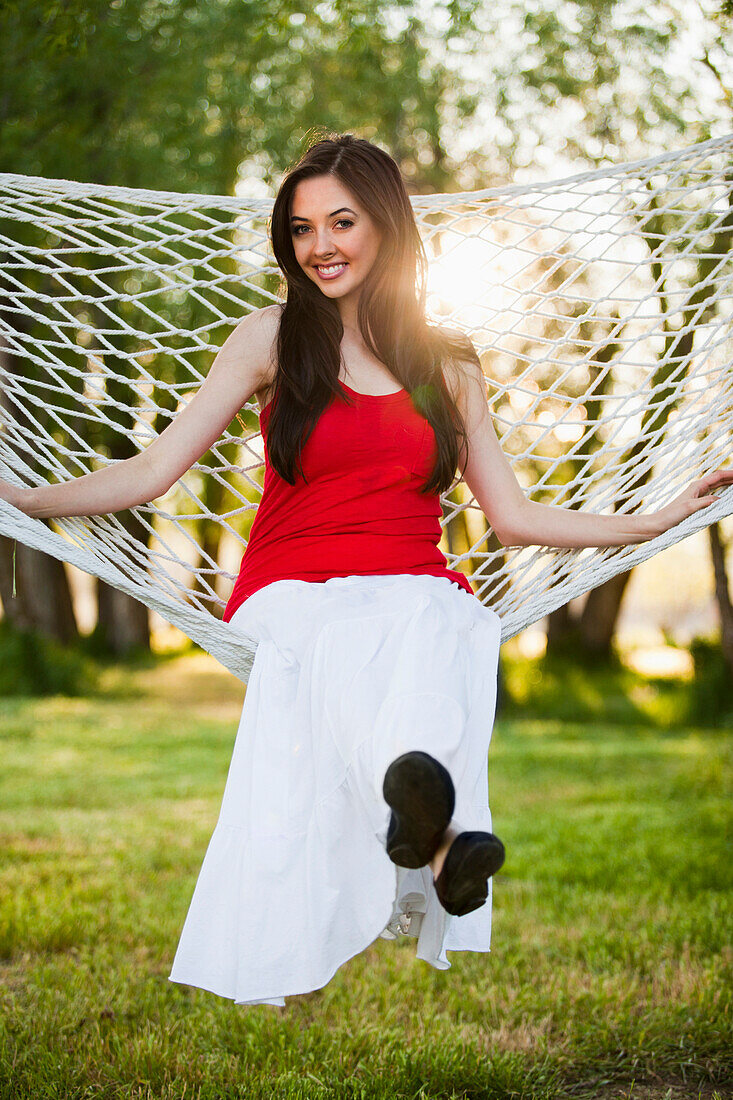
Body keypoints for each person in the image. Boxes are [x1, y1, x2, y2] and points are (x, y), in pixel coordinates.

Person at [1, 133, 730, 1008]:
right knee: (358, 629)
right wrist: (21, 498)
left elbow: (513, 517)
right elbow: (150, 472)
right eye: (302, 228)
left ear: (384, 224)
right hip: (290, 588)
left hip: (410, 583)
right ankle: (438, 837)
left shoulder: (447, 365)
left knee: (448, 621)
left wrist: (653, 520)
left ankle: (431, 828)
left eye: (341, 221)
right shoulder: (269, 338)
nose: (321, 246)